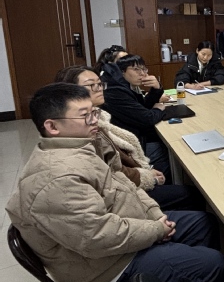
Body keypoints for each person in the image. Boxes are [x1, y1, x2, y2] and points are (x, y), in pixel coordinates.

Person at [5, 83, 224, 282]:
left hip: (122, 231)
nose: (95, 121)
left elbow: (124, 183)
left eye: (94, 112)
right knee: (210, 265)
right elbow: (98, 237)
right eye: (85, 116)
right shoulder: (56, 178)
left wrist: (155, 215)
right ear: (52, 126)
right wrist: (156, 230)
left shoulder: (79, 147)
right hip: (104, 270)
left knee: (203, 223)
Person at [55, 65, 204, 211]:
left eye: (99, 84)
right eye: (91, 85)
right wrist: (147, 176)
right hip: (124, 197)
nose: (99, 88)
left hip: (132, 173)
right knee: (188, 183)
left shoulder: (99, 113)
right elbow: (112, 174)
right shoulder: (85, 124)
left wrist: (156, 90)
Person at [100, 54, 172, 182]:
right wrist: (158, 109)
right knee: (170, 150)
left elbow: (142, 108)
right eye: (136, 69)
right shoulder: (115, 91)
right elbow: (147, 118)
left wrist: (156, 89)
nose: (142, 74)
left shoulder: (126, 85)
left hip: (136, 136)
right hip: (130, 147)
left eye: (144, 69)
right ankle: (160, 183)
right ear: (122, 71)